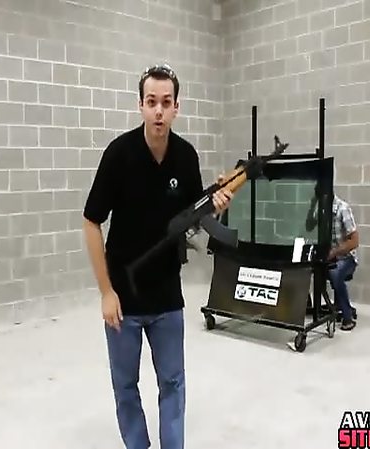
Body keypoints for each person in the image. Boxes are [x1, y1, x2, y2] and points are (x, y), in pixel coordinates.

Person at [82, 63, 233, 449]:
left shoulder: (186, 157)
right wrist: (106, 292)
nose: (159, 111)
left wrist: (215, 205)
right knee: (125, 386)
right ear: (141, 106)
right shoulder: (119, 154)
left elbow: (193, 221)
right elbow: (91, 221)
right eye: (152, 102)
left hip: (166, 296)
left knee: (173, 383)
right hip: (124, 299)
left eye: (167, 102)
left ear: (177, 107)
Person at [306, 186, 359, 331]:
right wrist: (312, 206)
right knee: (305, 268)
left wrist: (334, 252)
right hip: (329, 256)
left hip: (346, 258)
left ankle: (347, 317)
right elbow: (309, 226)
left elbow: (354, 241)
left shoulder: (343, 209)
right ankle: (312, 307)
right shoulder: (321, 208)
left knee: (335, 274)